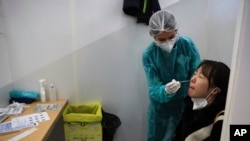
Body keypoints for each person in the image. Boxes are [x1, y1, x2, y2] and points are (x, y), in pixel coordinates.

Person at [142, 10, 201, 141]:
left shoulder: (187, 45)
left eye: (171, 37)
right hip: (160, 111)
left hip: (185, 105)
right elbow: (154, 87)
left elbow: (196, 73)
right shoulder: (149, 55)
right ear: (153, 36)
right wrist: (166, 90)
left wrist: (199, 96)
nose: (168, 42)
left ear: (176, 31)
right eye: (162, 39)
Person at [173, 60, 230, 141]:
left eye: (200, 76)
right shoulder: (190, 106)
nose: (192, 79)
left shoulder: (222, 120)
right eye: (195, 74)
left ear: (215, 90)